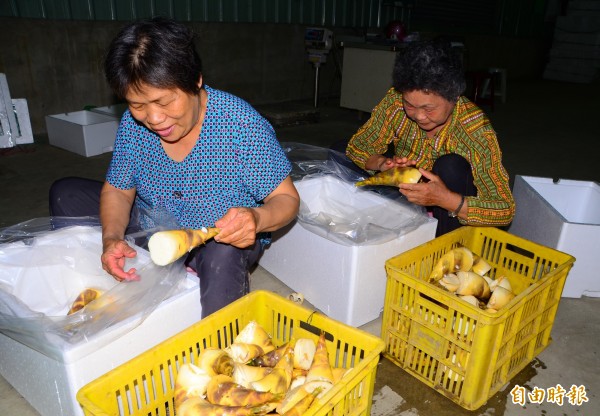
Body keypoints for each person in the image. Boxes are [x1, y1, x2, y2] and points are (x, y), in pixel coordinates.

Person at [48, 17, 300, 317]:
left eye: (164, 101)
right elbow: (118, 190)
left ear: (195, 81)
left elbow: (287, 200)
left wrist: (256, 219)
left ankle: (203, 296)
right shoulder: (133, 125)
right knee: (66, 194)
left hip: (214, 240)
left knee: (223, 258)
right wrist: (112, 238)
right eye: (138, 105)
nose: (154, 118)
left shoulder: (240, 125)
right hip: (153, 224)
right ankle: (107, 277)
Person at [345, 39, 515, 236]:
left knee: (450, 166)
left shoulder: (475, 131)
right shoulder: (395, 102)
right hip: (406, 197)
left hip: (450, 213)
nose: (418, 116)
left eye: (428, 108)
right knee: (339, 152)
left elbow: (504, 209)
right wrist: (383, 164)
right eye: (410, 105)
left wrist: (444, 199)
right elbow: (359, 146)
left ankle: (442, 249)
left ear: (454, 97)